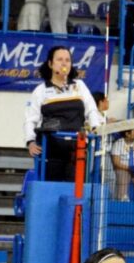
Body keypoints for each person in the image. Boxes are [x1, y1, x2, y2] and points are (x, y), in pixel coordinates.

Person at [25, 45, 104, 182]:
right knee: (50, 190)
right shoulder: (40, 91)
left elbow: (91, 110)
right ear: (50, 64)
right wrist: (30, 142)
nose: (64, 63)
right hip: (51, 150)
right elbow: (30, 120)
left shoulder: (79, 86)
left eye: (67, 60)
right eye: (59, 59)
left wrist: (95, 128)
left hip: (77, 149)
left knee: (74, 191)